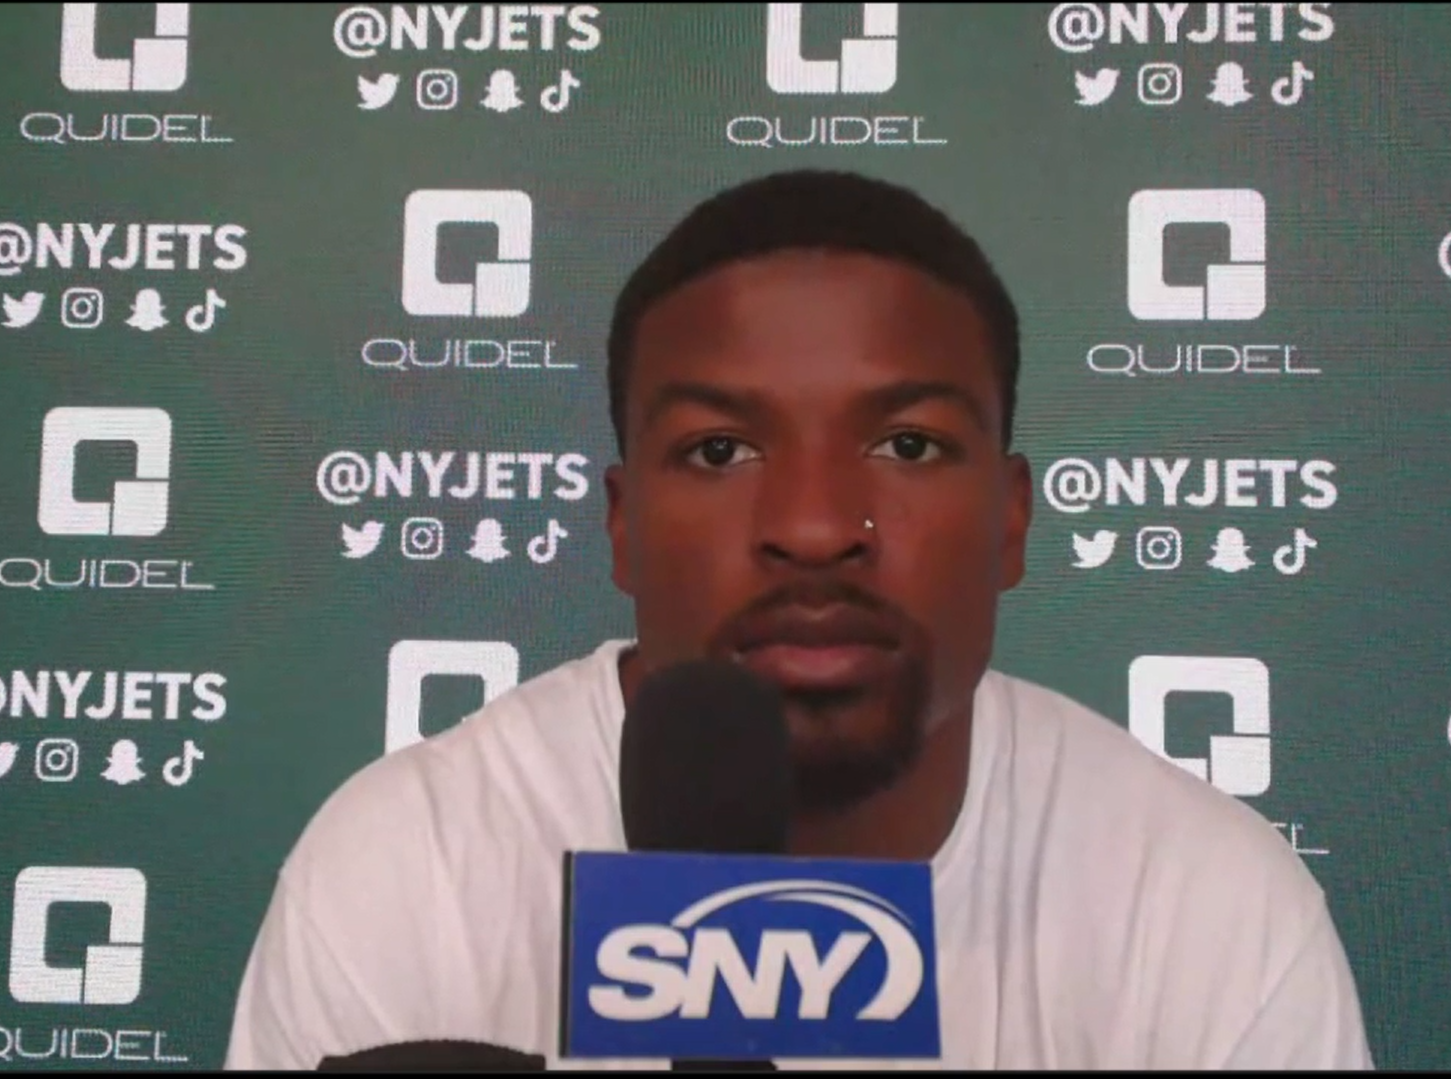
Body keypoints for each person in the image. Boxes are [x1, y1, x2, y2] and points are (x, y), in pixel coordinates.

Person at [224, 169, 1374, 1070]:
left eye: (907, 444)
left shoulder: (1211, 910)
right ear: (622, 527)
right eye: (719, 451)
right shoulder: (405, 874)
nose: (815, 527)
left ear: (1012, 521)